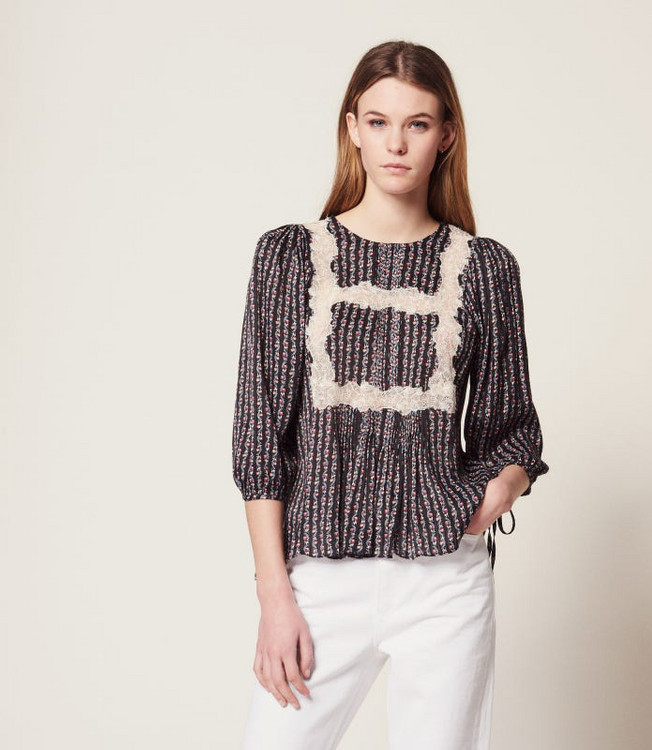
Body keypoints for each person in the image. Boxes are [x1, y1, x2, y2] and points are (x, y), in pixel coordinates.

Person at [231, 40, 549, 750]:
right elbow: (259, 440)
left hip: (444, 581)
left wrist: (498, 490)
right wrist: (274, 594)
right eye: (378, 122)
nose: (396, 144)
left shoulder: (485, 269)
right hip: (320, 577)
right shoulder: (288, 257)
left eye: (417, 124)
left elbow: (512, 429)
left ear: (446, 135)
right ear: (352, 129)